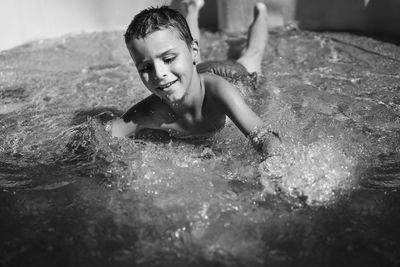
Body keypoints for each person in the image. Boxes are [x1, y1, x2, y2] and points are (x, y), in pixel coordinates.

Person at [111, 0, 280, 155]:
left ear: (194, 51)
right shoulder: (148, 112)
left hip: (233, 76)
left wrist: (274, 164)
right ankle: (193, 9)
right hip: (192, 72)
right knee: (184, 48)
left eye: (168, 59)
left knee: (252, 55)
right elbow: (104, 135)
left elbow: (263, 136)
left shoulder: (220, 92)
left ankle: (261, 13)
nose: (159, 73)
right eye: (146, 67)